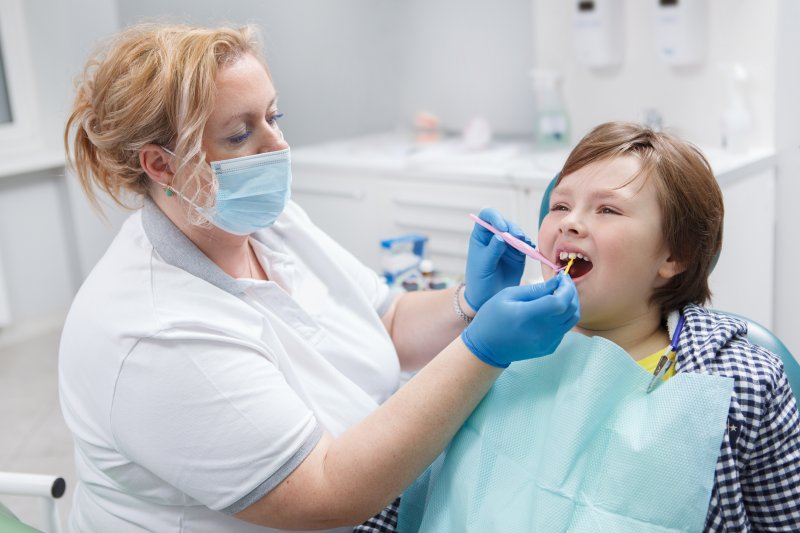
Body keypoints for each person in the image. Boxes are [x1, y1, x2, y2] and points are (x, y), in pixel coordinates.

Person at [57, 23, 580, 533]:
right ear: (161, 166)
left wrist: (469, 301)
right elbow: (328, 495)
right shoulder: (155, 332)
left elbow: (389, 322)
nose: (277, 145)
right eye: (240, 134)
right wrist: (481, 350)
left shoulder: (262, 224)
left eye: (273, 117)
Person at [391, 122, 800, 532]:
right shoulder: (486, 345)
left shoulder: (742, 383)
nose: (570, 223)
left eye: (608, 209)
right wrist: (470, 337)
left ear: (674, 256)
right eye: (559, 206)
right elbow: (391, 487)